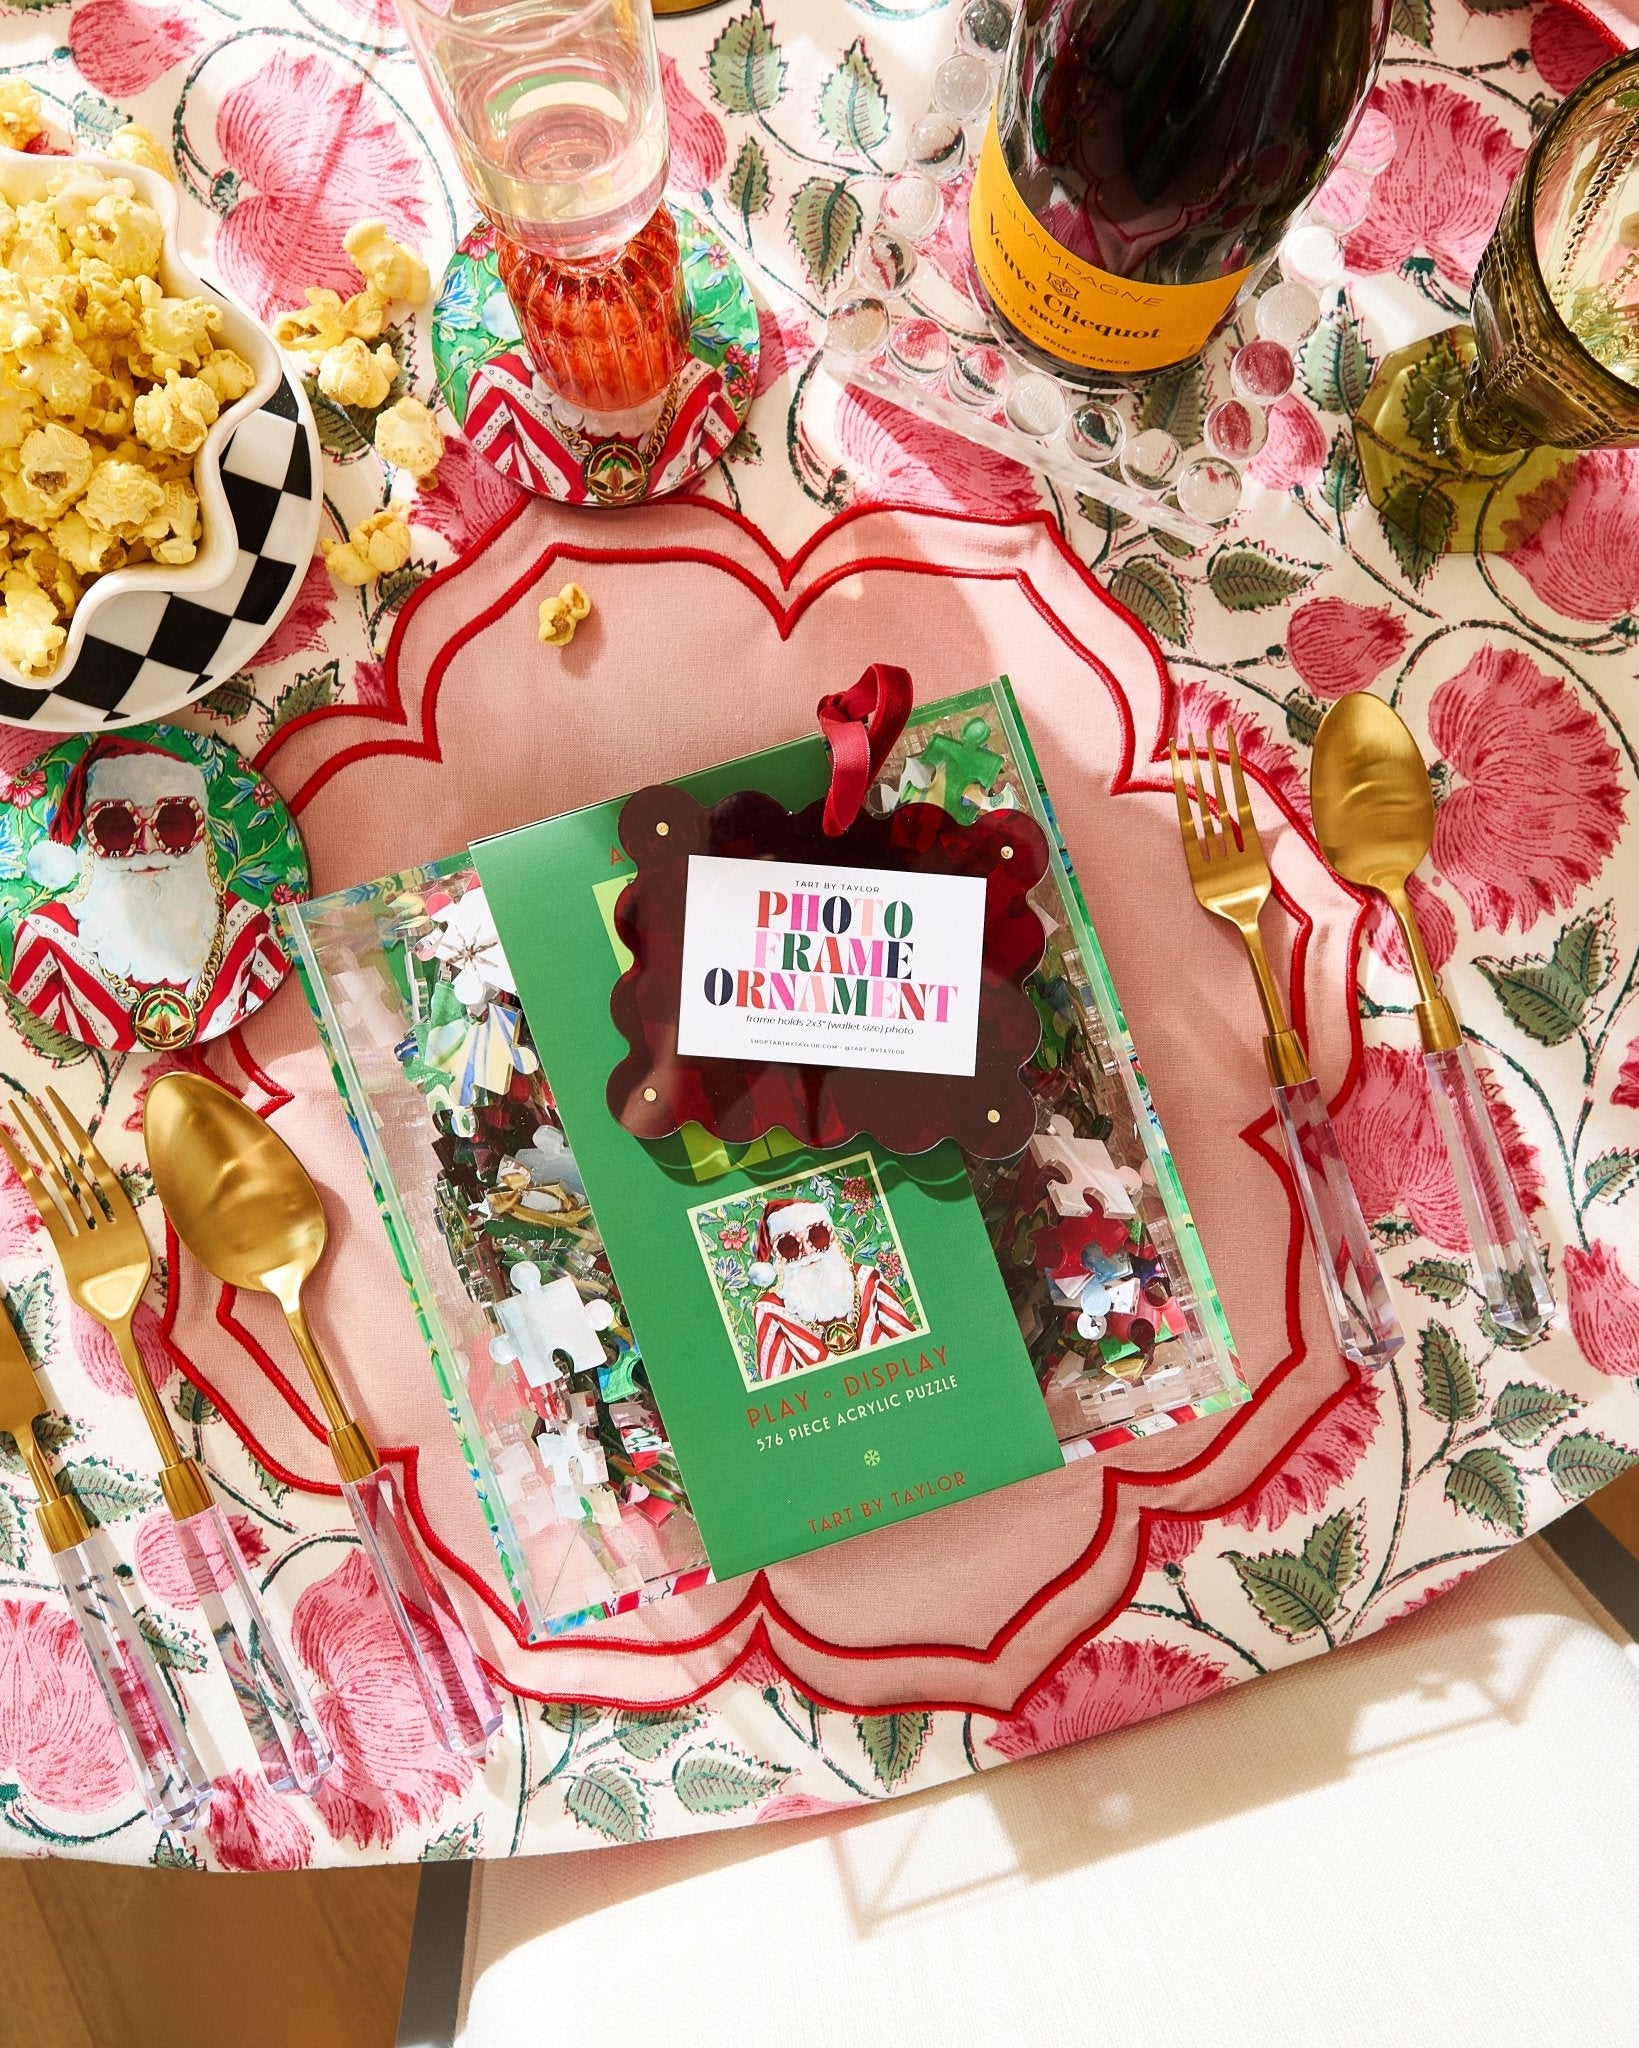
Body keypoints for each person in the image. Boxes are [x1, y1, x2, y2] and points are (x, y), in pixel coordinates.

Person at [8, 737, 288, 1052]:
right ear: (91, 838)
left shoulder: (250, 930)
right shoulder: (46, 940)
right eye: (117, 827)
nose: (148, 848)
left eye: (172, 823)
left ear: (201, 835)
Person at [746, 1195, 914, 1381]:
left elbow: (911, 1348)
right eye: (790, 1246)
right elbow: (781, 1388)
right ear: (779, 1257)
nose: (809, 1253)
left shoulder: (868, 1279)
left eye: (817, 1236)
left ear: (832, 1237)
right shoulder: (770, 1310)